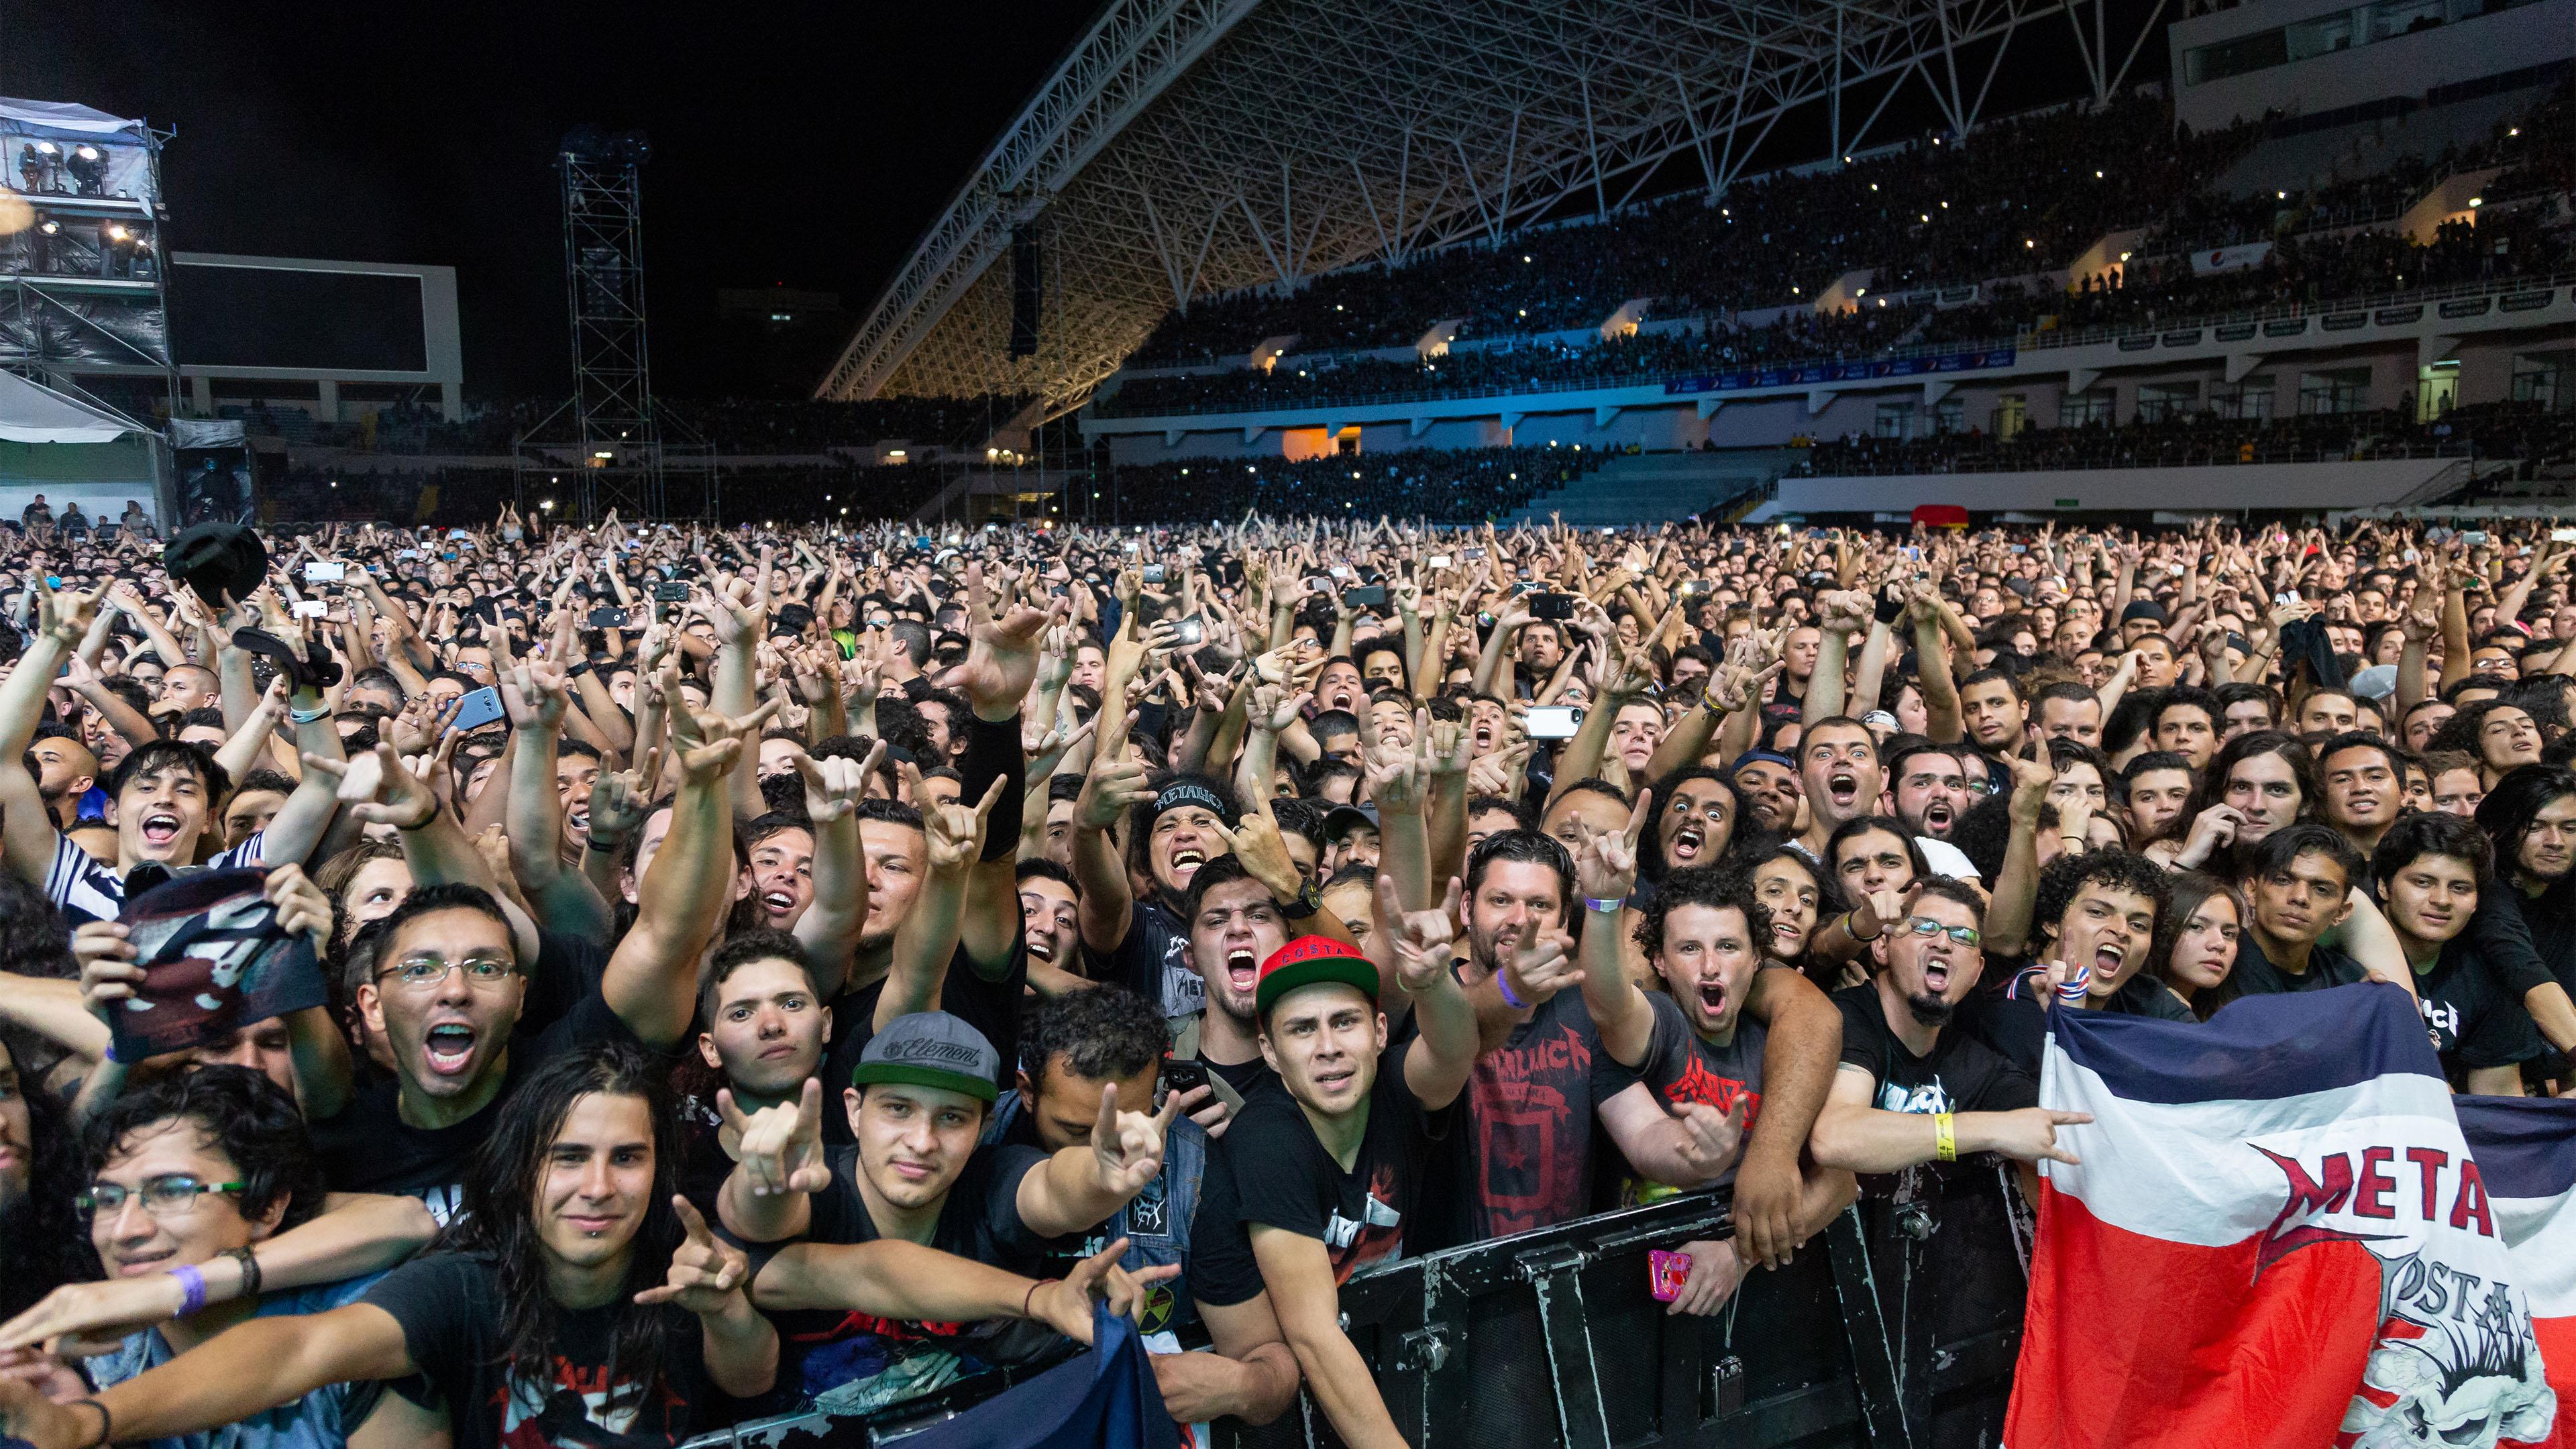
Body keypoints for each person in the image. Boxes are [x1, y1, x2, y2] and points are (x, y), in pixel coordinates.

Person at [0, 1044, 785, 1449]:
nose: (598, 1186)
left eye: (628, 1158)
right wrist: (88, 1425)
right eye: (567, 1157)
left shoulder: (682, 1263)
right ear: (523, 1168)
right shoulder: (465, 1286)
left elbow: (751, 1380)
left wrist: (726, 1313)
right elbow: (300, 1352)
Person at [712, 1012, 1173, 1409]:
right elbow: (755, 1221)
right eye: (898, 1109)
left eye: (952, 1117)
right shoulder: (818, 1184)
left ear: (983, 1126)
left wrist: (1101, 1173)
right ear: (854, 1110)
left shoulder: (991, 1182)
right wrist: (764, 1179)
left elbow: (1055, 1190)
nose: (922, 1141)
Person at [1188, 926, 1479, 1449]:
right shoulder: (1268, 1139)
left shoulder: (1392, 1086)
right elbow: (1314, 1336)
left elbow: (1455, 1054)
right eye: (1302, 1030)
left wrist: (1435, 982)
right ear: (1270, 1052)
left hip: (1379, 1355)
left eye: (1344, 1022)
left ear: (1380, 1031)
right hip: (1282, 1394)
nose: (1328, 1048)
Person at [987, 987, 1298, 1430]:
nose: (1103, 1152)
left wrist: (1241, 1386)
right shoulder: (972, 1143)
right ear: (1027, 1092)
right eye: (1075, 1131)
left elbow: (1269, 1363)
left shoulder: (1192, 1169)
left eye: (1125, 1128)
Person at [1809, 878, 2083, 1201]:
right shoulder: (1847, 1016)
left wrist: (2070, 1029)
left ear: (1978, 971)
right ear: (1882, 947)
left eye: (1964, 936)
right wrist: (1989, 1129)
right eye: (1925, 927)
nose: (1943, 943)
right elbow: (1835, 1137)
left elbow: (2070, 1141)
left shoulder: (1976, 1063)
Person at [2371, 812, 2545, 1093]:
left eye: (2459, 888)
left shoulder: (2488, 974)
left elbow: (2498, 1100)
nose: (2442, 900)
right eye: (2423, 882)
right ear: (2383, 886)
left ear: (2477, 901)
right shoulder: (2344, 958)